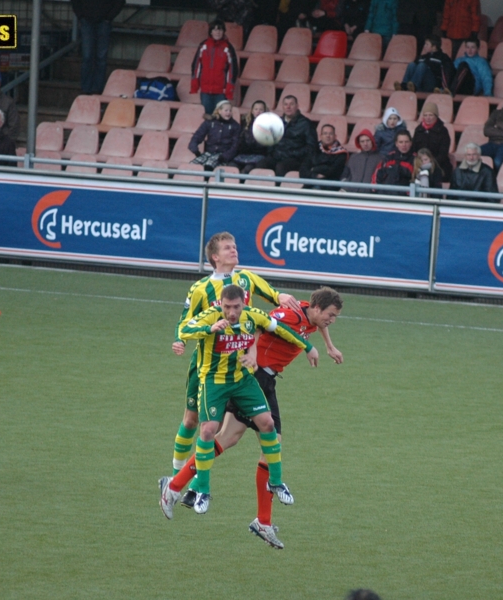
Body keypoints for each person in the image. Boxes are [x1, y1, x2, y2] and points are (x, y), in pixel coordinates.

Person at [161, 287, 343, 549]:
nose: (331, 320)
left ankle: (177, 487)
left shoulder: (310, 312)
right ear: (316, 308)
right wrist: (254, 353)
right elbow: (259, 326)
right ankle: (261, 519)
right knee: (265, 440)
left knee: (229, 438)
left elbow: (315, 326)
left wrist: (328, 345)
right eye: (330, 315)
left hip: (265, 379)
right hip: (257, 376)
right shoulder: (288, 314)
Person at [168, 232, 302, 478]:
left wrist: (281, 296)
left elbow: (272, 294)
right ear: (214, 256)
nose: (234, 250)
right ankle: (175, 474)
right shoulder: (200, 288)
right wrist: (179, 340)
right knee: (191, 420)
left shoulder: (247, 278)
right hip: (206, 364)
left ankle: (195, 481)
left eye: (235, 246)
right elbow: (184, 322)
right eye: (228, 247)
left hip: (240, 365)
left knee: (218, 427)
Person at [71, 0, 125, 94]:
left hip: (100, 21)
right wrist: (81, 16)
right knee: (90, 56)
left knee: (99, 57)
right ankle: (88, 89)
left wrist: (108, 17)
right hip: (91, 20)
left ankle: (95, 89)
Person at [255, 95, 317, 177]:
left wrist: (292, 153)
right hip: (277, 156)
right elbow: (271, 140)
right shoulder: (277, 121)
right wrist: (272, 153)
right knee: (261, 164)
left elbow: (311, 147)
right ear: (282, 107)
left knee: (281, 167)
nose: (288, 107)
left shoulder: (306, 124)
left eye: (291, 104)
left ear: (297, 106)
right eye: (285, 104)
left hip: (295, 159)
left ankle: (277, 190)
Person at [190, 20, 239, 117]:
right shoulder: (203, 45)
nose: (217, 32)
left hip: (221, 91)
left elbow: (233, 69)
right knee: (208, 116)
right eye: (215, 29)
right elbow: (196, 66)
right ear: (211, 32)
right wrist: (195, 84)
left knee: (220, 117)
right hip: (205, 90)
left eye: (220, 30)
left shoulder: (228, 47)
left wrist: (229, 88)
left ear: (223, 31)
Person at [188, 99, 241, 170]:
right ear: (219, 111)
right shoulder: (210, 122)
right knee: (192, 166)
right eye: (226, 110)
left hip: (222, 155)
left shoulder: (235, 126)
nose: (228, 113)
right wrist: (194, 149)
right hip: (208, 153)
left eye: (230, 110)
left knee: (208, 166)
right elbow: (198, 135)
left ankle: (207, 181)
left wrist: (225, 156)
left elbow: (235, 144)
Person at [411, 102, 453, 182]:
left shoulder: (443, 131)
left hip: (438, 166)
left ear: (436, 116)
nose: (428, 118)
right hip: (420, 165)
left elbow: (443, 153)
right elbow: (414, 149)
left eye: (430, 115)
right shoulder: (418, 130)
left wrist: (431, 164)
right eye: (425, 115)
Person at [234, 100, 270, 173]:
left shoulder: (269, 125)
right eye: (256, 109)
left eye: (261, 109)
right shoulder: (246, 123)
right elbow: (240, 140)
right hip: (244, 154)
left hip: (259, 155)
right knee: (232, 167)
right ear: (252, 111)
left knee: (246, 170)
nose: (258, 111)